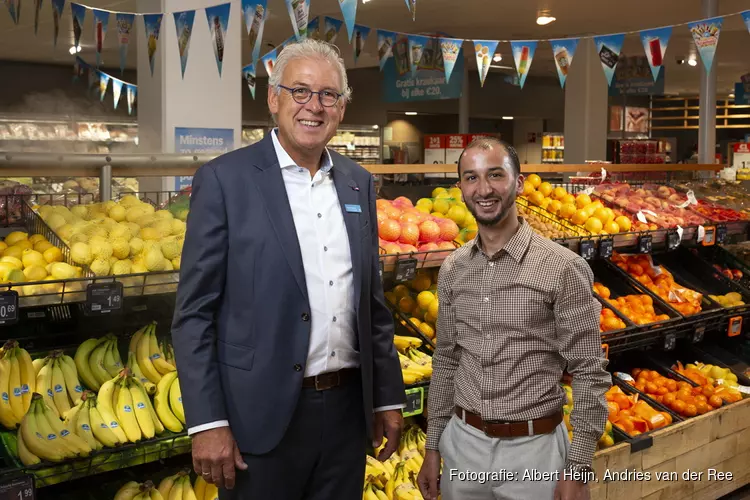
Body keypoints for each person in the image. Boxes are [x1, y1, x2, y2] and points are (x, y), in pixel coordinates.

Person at [171, 39, 406, 499]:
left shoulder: (358, 183)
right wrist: (208, 421)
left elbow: (371, 304)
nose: (313, 107)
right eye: (300, 91)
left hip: (345, 415)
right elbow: (194, 313)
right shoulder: (225, 180)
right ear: (273, 98)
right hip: (257, 417)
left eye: (328, 95)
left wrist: (386, 396)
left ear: (341, 107)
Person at [417, 137, 610, 500]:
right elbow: (446, 361)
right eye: (471, 178)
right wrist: (433, 446)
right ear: (460, 188)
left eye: (495, 175)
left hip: (534, 451)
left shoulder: (563, 268)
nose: (484, 189)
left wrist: (578, 467)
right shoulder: (454, 269)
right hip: (462, 446)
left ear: (519, 182)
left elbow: (589, 370)